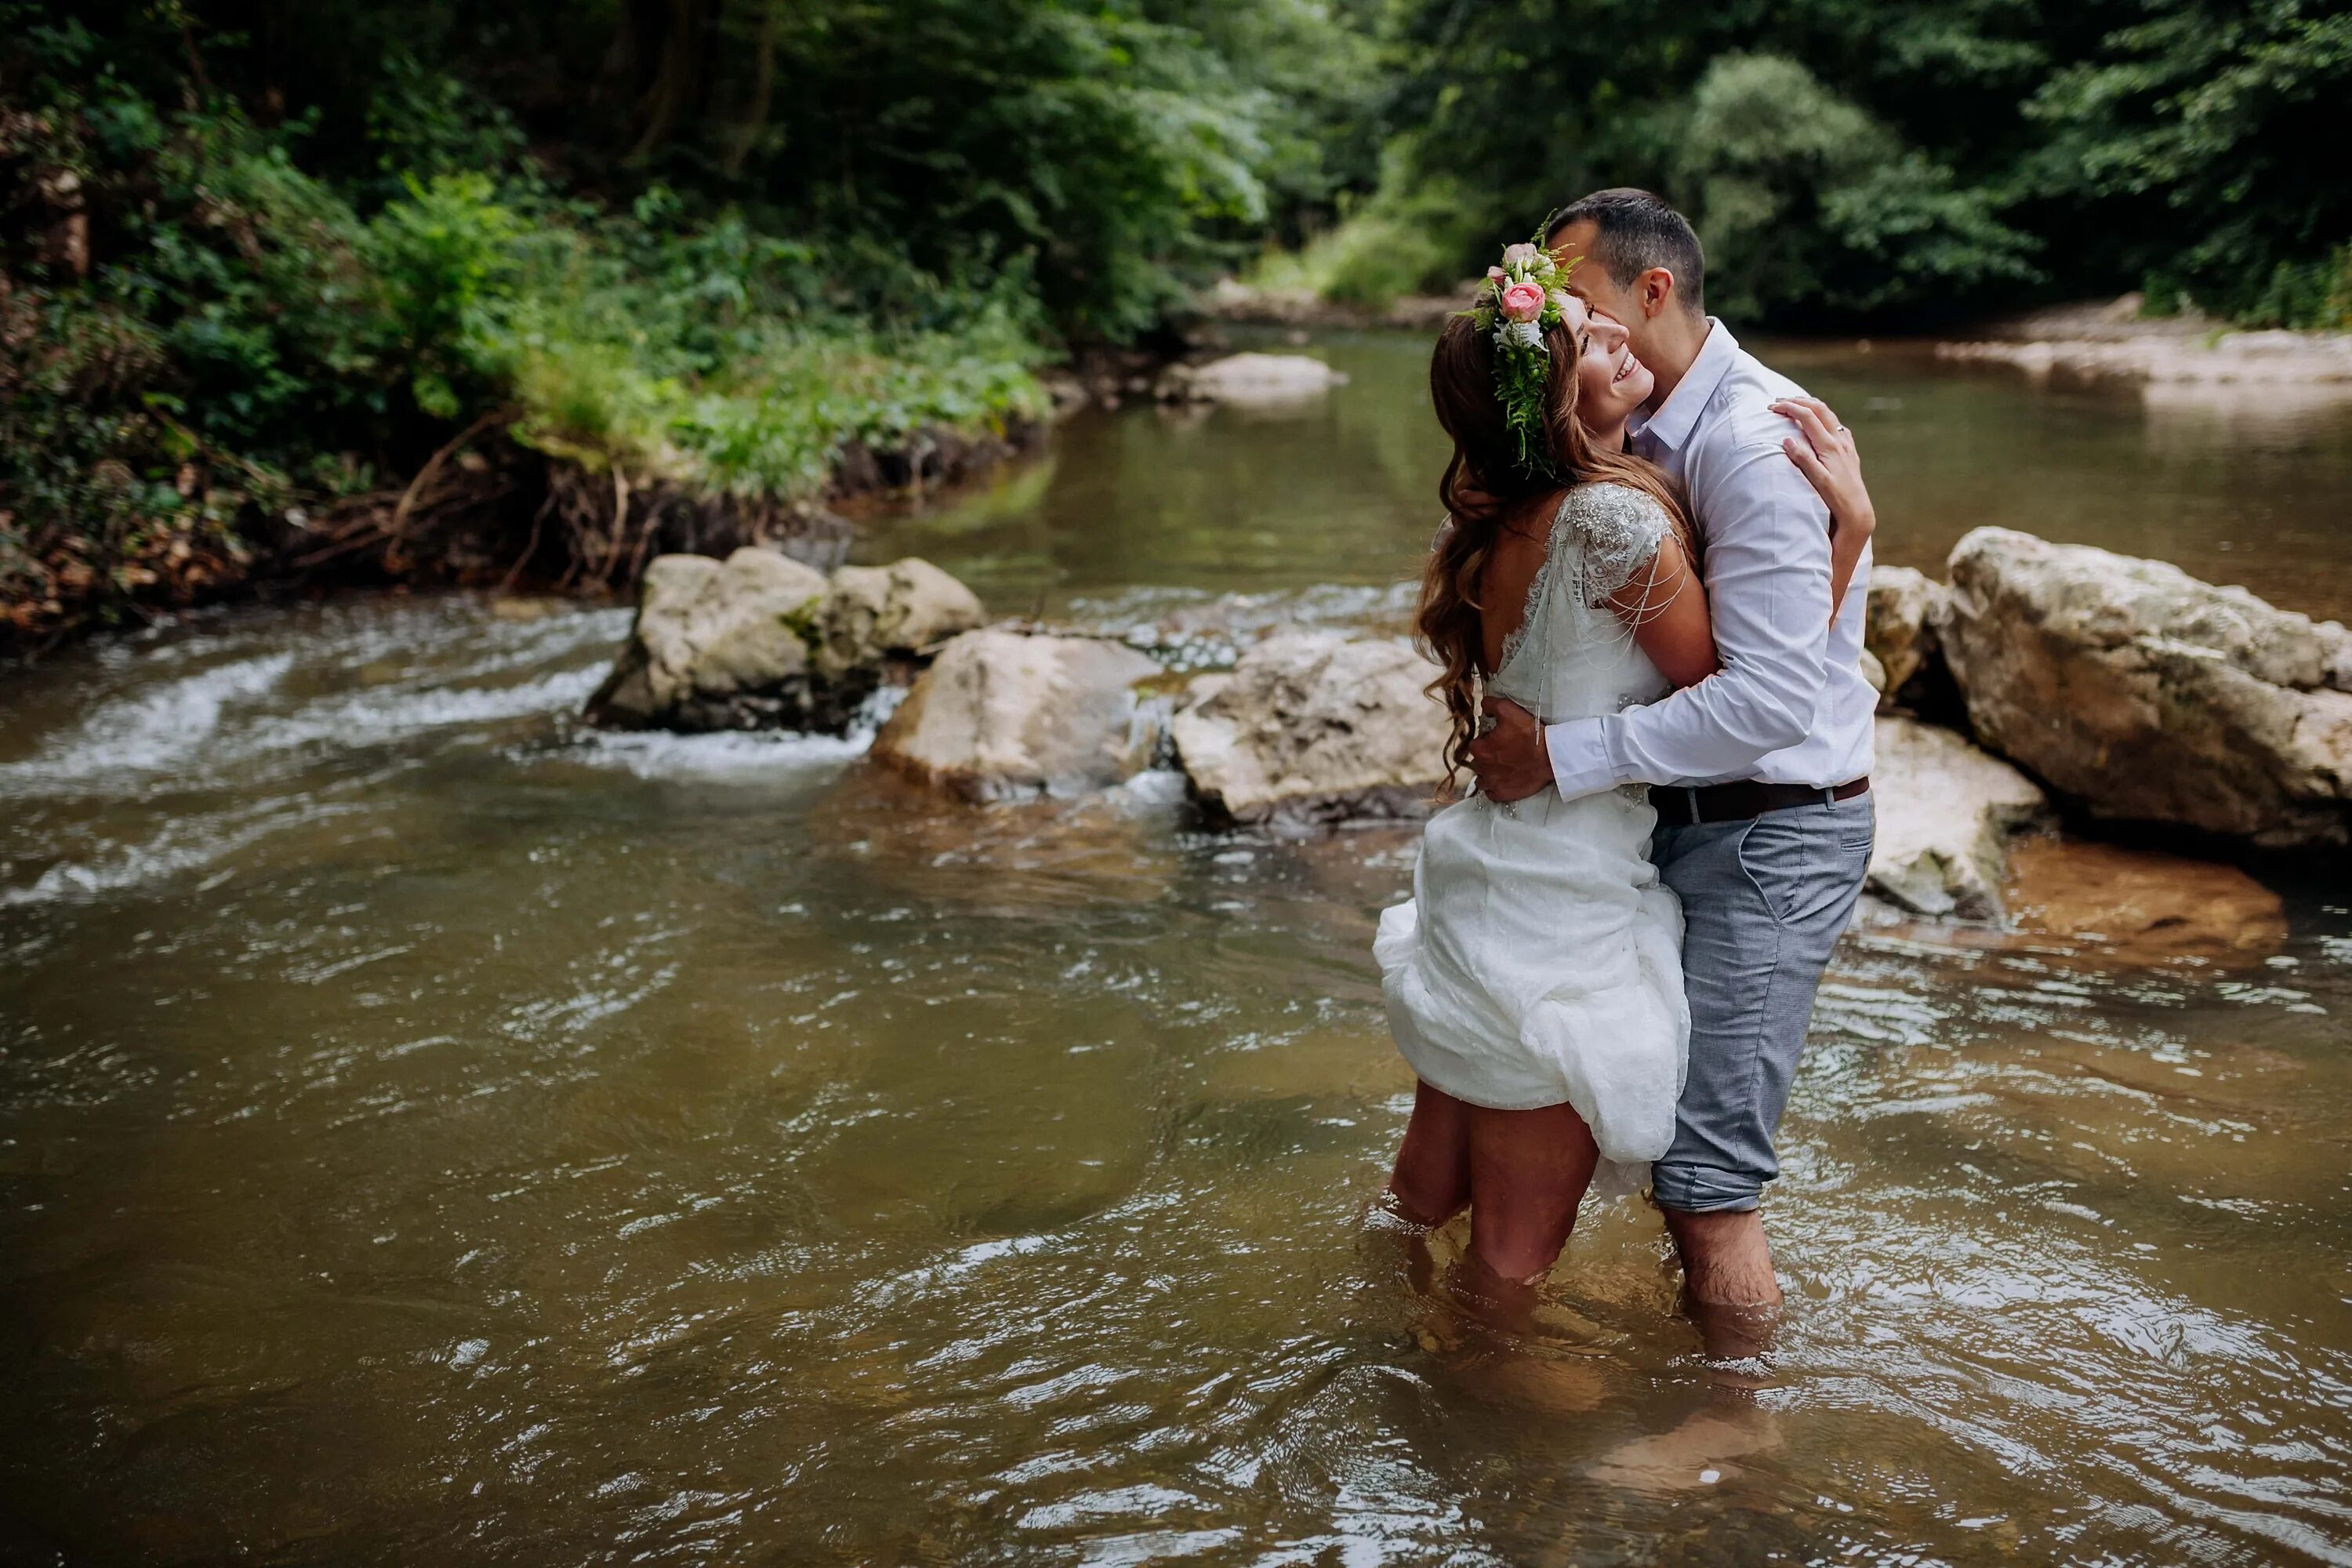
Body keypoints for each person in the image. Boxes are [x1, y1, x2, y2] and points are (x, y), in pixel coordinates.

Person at [1376, 227, 1875, 1308]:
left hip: (1502, 856)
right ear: (1557, 395)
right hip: (1567, 887)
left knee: (1430, 1185)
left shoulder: (1512, 506)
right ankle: (1507, 1428)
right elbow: (1732, 685)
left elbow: (1758, 696)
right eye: (1577, 331)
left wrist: (1846, 538)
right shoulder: (1609, 510)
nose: (1601, 329)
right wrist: (1847, 545)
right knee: (1572, 1233)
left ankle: (1388, 1336)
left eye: (1593, 306)